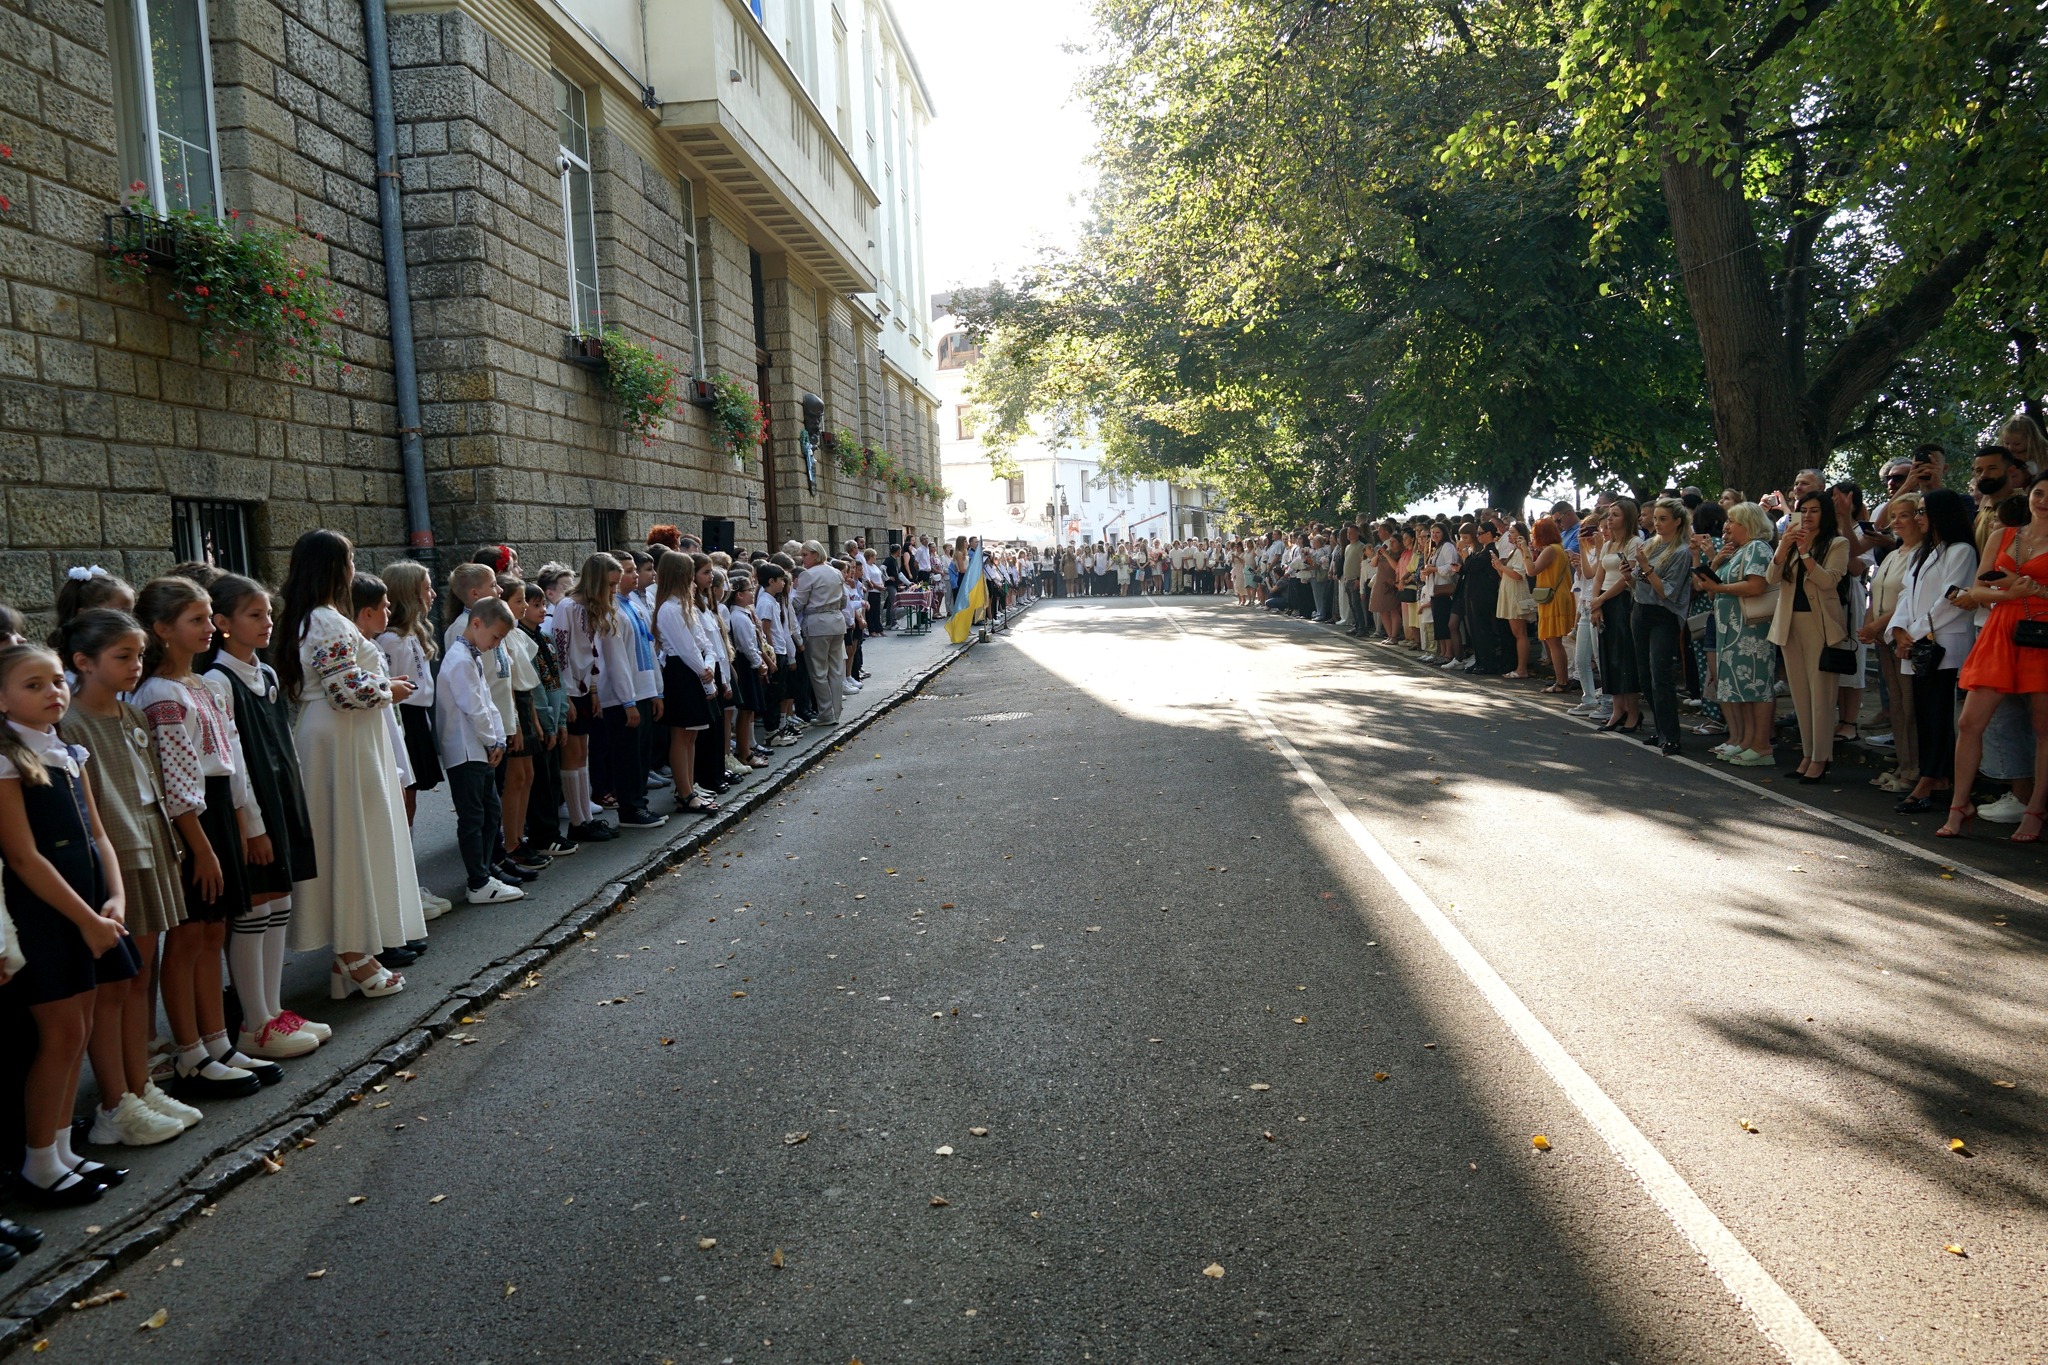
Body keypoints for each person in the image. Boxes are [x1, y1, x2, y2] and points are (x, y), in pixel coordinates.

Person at [0, 643, 138, 1205]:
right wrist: (84, 919)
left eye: (56, 681)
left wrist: (116, 901)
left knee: (78, 1030)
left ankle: (60, 1150)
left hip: (91, 910)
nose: (53, 691)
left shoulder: (68, 753)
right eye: (33, 685)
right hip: (47, 916)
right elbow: (25, 857)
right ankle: (37, 1164)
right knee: (57, 1037)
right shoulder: (8, 761)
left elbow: (99, 835)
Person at [131, 578, 271, 1099]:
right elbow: (177, 780)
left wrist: (243, 822)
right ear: (163, 629)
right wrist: (203, 846)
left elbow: (228, 762)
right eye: (197, 619)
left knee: (214, 933)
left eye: (211, 616)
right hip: (192, 824)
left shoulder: (206, 685)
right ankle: (189, 1050)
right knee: (188, 937)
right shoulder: (160, 694)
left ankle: (217, 1041)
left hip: (218, 816)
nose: (210, 627)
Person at [274, 530, 427, 1000]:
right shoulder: (325, 620)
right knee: (352, 839)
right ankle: (352, 953)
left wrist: (379, 685)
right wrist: (391, 690)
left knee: (354, 839)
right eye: (349, 558)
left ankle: (355, 949)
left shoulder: (310, 618)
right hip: (341, 738)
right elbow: (346, 692)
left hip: (344, 735)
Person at [57, 613, 191, 1147]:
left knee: (141, 977)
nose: (135, 666)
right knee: (115, 983)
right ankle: (115, 1101)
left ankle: (139, 1084)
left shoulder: (132, 713)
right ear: (82, 662)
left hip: (151, 846)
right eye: (122, 657)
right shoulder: (69, 726)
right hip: (116, 858)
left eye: (138, 656)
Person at [204, 576, 324, 1059]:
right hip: (251, 811)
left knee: (279, 904)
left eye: (268, 613)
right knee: (254, 909)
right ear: (223, 624)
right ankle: (255, 1023)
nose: (267, 621)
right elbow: (231, 760)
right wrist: (251, 824)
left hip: (281, 803)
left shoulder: (267, 674)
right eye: (254, 615)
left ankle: (275, 1011)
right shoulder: (218, 681)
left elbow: (284, 746)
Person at [1939, 472, 2048, 840]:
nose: (2043, 500)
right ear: (2029, 494)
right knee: (1970, 723)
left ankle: (2034, 811)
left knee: (2043, 728)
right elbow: (1978, 591)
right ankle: (1959, 805)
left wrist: (2038, 592)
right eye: (2039, 492)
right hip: (2000, 631)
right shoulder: (2004, 535)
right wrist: (2014, 592)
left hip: (2042, 636)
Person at [1888, 490, 1977, 814]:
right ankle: (1934, 776)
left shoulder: (1961, 551)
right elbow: (1905, 597)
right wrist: (1898, 629)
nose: (1919, 517)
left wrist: (1910, 633)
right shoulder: (1920, 553)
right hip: (1917, 643)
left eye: (1925, 511)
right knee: (1924, 713)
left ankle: (1933, 778)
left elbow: (1952, 599)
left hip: (1945, 643)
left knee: (1938, 712)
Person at [438, 598, 523, 904]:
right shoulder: (460, 659)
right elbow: (474, 707)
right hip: (465, 750)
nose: (496, 643)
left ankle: (485, 872)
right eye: (496, 636)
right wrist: (493, 740)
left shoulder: (470, 656)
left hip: (479, 748)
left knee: (491, 811)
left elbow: (487, 703)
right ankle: (478, 880)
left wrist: (497, 739)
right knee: (473, 816)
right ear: (476, 624)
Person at [1766, 490, 1852, 783]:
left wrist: (1804, 553)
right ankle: (1807, 754)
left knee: (1822, 697)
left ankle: (1821, 758)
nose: (1810, 516)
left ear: (1825, 514)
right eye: (1805, 510)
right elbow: (1771, 578)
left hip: (1821, 626)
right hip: (1790, 623)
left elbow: (1828, 581)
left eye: (1816, 510)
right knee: (1801, 695)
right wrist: (1784, 546)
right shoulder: (1790, 540)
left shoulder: (1837, 543)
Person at [1697, 503, 1777, 765]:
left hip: (1751, 630)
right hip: (1731, 630)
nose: (1726, 525)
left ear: (1748, 524)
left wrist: (1720, 588)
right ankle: (1745, 740)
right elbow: (1711, 588)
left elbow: (1756, 586)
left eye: (1732, 520)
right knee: (1740, 687)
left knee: (1756, 685)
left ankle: (1761, 745)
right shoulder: (1738, 551)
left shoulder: (1758, 548)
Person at [1591, 501, 1642, 732]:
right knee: (1609, 655)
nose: (1609, 519)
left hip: (1622, 601)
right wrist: (1596, 603)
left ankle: (1633, 712)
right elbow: (1599, 576)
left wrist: (1602, 599)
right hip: (1604, 600)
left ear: (1627, 518)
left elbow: (1625, 579)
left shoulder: (1634, 543)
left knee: (1624, 656)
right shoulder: (1608, 545)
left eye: (1615, 515)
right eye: (1609, 515)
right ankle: (1617, 709)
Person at [794, 542, 849, 725]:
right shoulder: (835, 572)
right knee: (835, 669)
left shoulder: (808, 575)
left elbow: (799, 603)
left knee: (818, 671)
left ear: (815, 555)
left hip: (817, 623)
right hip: (836, 621)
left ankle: (826, 712)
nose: (803, 559)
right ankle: (836, 710)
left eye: (805, 555)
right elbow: (843, 599)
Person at [1530, 519, 1573, 690]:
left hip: (1553, 597)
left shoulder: (1550, 550)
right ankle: (1561, 680)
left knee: (1554, 641)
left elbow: (1531, 570)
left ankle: (1562, 681)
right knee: (1554, 641)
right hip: (1557, 594)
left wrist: (1526, 552)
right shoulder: (1557, 548)